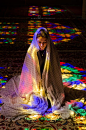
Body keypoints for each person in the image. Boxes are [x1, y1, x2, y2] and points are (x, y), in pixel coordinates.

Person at [0, 27, 86, 120]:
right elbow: (30, 73)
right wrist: (38, 87)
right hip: (35, 84)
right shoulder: (32, 52)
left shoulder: (51, 52)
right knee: (36, 102)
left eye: (44, 42)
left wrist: (47, 86)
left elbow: (54, 72)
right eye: (39, 42)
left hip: (48, 82)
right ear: (36, 41)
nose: (42, 45)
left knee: (53, 102)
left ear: (48, 41)